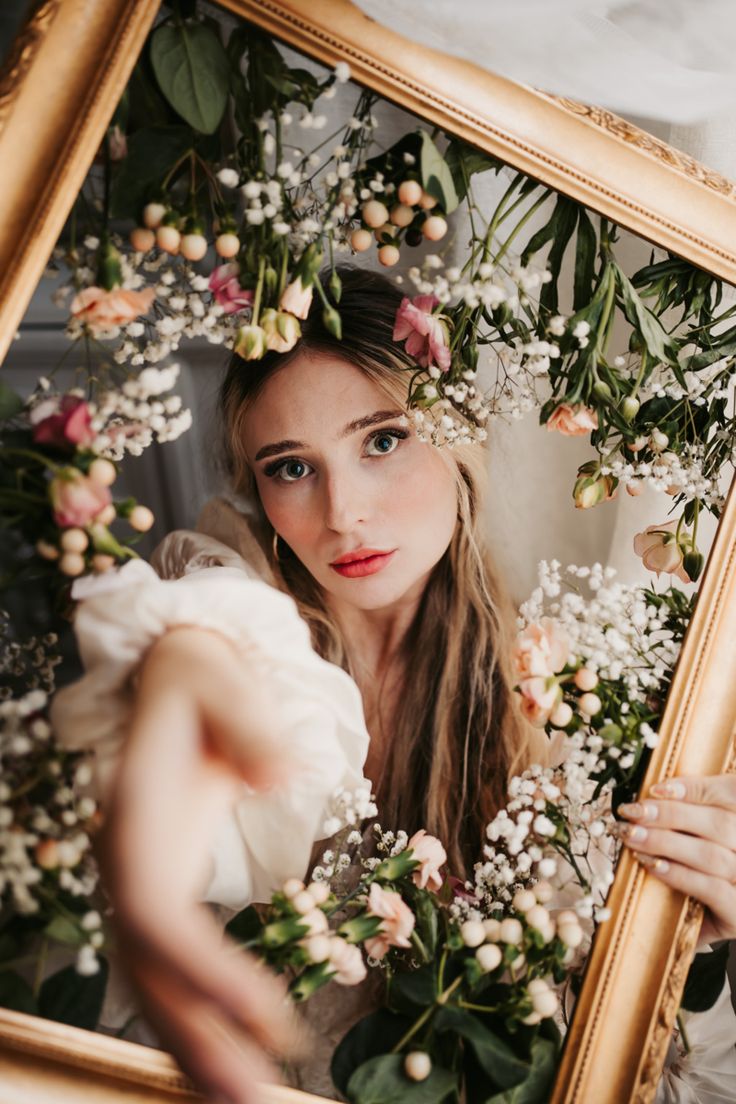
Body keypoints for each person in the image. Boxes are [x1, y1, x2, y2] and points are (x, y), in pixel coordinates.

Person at [52, 266, 736, 1104]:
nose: (342, 513)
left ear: (458, 436)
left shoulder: (569, 700)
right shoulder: (242, 610)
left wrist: (678, 944)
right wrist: (177, 673)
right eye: (291, 468)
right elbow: (209, 629)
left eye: (382, 439)